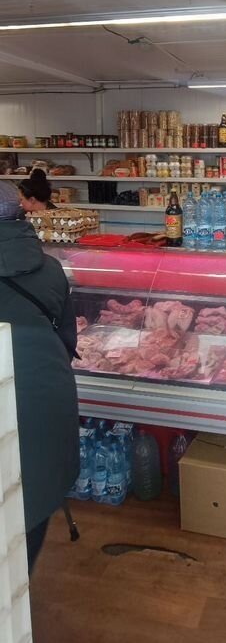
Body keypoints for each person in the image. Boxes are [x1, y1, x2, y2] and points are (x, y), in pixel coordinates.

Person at [0, 181, 79, 573]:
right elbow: (66, 341)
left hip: (20, 403)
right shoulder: (51, 268)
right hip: (45, 403)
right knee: (33, 502)